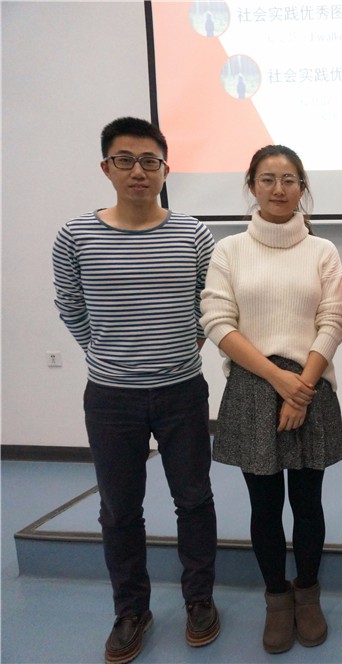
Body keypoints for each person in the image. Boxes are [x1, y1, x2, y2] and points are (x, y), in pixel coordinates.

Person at [52, 117, 220, 664]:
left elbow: (209, 307)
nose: (139, 171)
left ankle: (199, 600)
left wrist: (183, 348)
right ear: (107, 168)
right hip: (111, 398)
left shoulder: (193, 234)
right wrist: (106, 353)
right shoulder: (75, 236)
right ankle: (131, 610)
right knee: (119, 509)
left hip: (182, 390)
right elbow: (70, 306)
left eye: (150, 161)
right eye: (125, 160)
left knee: (193, 499)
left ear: (166, 169)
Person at [200, 145, 342, 654]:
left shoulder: (322, 250)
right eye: (268, 179)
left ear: (302, 187)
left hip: (311, 385)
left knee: (307, 503)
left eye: (289, 179)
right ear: (252, 185)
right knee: (264, 506)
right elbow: (217, 320)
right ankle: (276, 600)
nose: (279, 189)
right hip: (251, 387)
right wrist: (278, 380)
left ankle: (307, 594)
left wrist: (301, 387)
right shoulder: (229, 250)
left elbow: (334, 319)